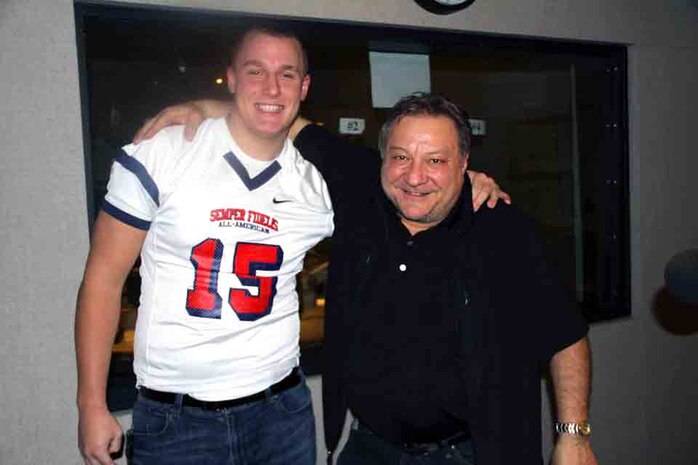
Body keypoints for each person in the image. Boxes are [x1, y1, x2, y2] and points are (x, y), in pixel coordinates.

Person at [75, 27, 504, 465]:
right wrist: (91, 404)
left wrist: (464, 181)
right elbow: (103, 281)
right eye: (255, 71)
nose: (271, 88)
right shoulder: (163, 153)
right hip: (177, 418)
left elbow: (407, 187)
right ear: (232, 78)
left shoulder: (316, 183)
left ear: (304, 87)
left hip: (280, 412)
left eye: (286, 74)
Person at [142, 93, 597, 465]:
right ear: (381, 158)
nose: (414, 177)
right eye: (400, 157)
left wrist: (573, 437)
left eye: (436, 160)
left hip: (471, 454)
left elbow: (565, 335)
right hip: (369, 450)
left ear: (464, 163)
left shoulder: (501, 227)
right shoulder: (359, 191)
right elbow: (280, 117)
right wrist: (204, 108)